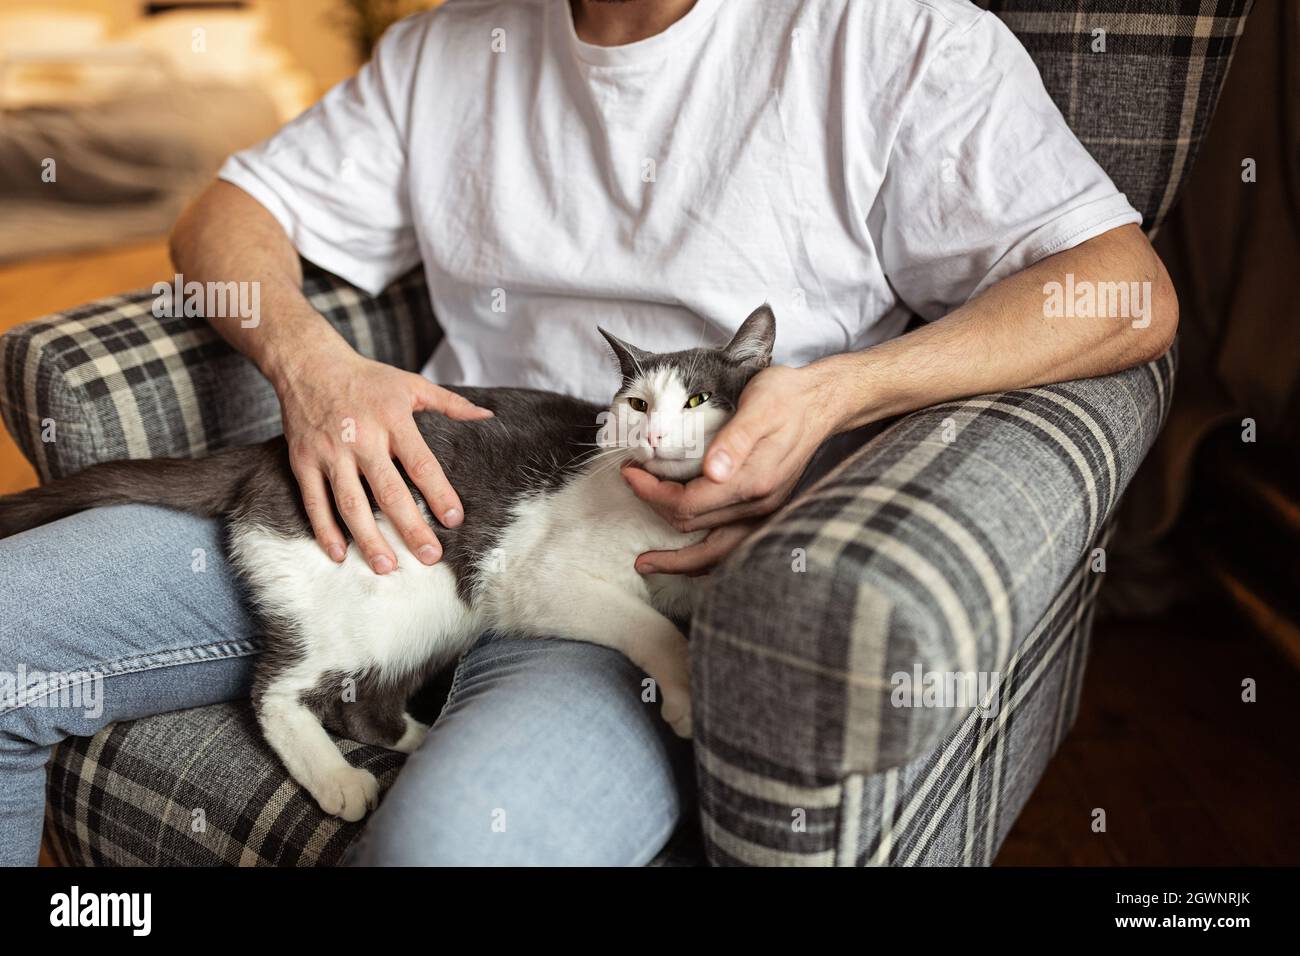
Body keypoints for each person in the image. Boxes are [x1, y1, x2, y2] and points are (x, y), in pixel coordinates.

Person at [0, 0, 1176, 866]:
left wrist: (839, 393)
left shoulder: (892, 38)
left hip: (633, 589)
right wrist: (313, 368)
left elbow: (1128, 290)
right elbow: (225, 214)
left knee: (448, 850)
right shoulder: (446, 47)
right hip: (408, 504)